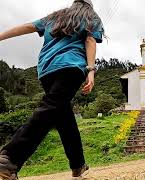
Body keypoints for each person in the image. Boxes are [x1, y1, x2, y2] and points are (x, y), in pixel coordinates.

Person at [0, 0, 104, 179]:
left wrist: (1, 36)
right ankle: (9, 158)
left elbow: (27, 26)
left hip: (47, 70)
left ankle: (78, 164)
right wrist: (91, 70)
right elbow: (90, 39)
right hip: (71, 67)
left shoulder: (54, 17)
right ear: (89, 5)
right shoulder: (90, 16)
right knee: (49, 110)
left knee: (64, 117)